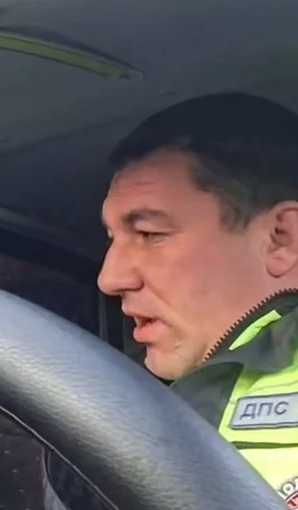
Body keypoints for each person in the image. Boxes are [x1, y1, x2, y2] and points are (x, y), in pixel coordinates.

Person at [95, 92, 298, 507]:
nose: (109, 279)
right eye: (112, 238)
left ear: (283, 239)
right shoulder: (116, 392)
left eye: (150, 234)